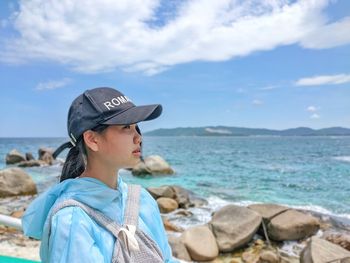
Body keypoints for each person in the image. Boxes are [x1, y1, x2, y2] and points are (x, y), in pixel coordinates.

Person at [22, 87, 179, 262]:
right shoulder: (73, 220)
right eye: (127, 126)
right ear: (92, 140)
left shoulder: (141, 198)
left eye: (136, 127)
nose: (138, 137)